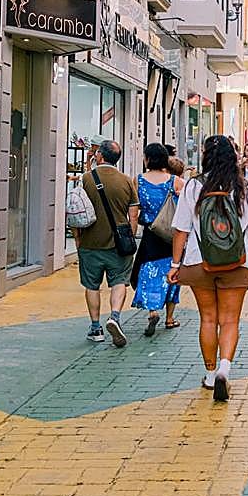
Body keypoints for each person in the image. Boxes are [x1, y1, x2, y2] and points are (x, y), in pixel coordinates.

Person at [167, 135, 248, 402]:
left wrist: (176, 265)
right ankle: (225, 369)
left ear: (206, 156)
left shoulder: (193, 187)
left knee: (208, 319)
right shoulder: (245, 189)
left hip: (199, 262)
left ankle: (209, 375)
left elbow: (181, 229)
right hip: (238, 263)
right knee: (230, 320)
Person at [75, 140, 139, 347]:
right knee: (119, 282)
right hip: (119, 243)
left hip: (90, 242)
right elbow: (134, 213)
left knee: (92, 285)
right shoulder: (127, 181)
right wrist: (130, 236)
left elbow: (74, 212)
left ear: (100, 156)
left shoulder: (86, 179)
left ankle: (96, 328)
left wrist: (78, 239)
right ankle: (115, 317)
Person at [130, 143, 186, 337]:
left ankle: (152, 311)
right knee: (173, 271)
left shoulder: (138, 180)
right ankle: (170, 318)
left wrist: (132, 231)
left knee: (148, 271)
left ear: (147, 159)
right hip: (172, 234)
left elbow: (134, 211)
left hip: (150, 233)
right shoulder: (176, 181)